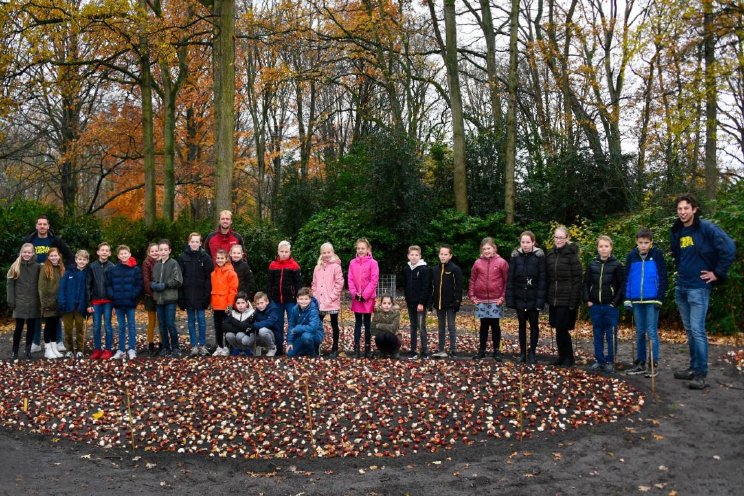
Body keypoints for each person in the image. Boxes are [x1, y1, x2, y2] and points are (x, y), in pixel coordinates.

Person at [670, 193, 736, 390]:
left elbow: (729, 247)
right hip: (682, 286)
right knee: (690, 331)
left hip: (698, 288)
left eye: (686, 208)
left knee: (698, 331)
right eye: (680, 209)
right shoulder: (677, 230)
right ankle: (692, 368)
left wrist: (718, 273)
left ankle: (701, 374)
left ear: (694, 210)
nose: (682, 212)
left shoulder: (706, 228)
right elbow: (678, 255)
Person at [23, 215, 73, 353]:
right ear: (36, 226)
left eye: (45, 224)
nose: (42, 226)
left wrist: (65, 270)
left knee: (54, 309)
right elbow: (21, 256)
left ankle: (58, 341)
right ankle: (35, 342)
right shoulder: (30, 240)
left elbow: (69, 255)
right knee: (37, 310)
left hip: (52, 279)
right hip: (34, 278)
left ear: (48, 226)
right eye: (40, 224)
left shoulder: (55, 240)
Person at [624, 228, 668, 378]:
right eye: (641, 242)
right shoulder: (631, 256)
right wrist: (627, 298)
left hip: (652, 299)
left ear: (651, 243)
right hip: (636, 300)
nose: (643, 245)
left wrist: (660, 298)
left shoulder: (657, 255)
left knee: (652, 332)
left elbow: (663, 277)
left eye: (646, 243)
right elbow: (627, 278)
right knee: (639, 333)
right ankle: (640, 363)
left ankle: (653, 364)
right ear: (636, 242)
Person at [583, 235, 625, 373]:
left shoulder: (617, 265)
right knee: (597, 333)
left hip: (610, 307)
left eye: (606, 246)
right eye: (601, 246)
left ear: (611, 247)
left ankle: (610, 361)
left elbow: (622, 286)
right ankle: (599, 360)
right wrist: (587, 299)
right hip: (595, 305)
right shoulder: (592, 264)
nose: (603, 249)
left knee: (611, 334)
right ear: (597, 248)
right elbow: (586, 283)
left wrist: (615, 302)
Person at [506, 231, 546, 365]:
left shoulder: (539, 256)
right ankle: (522, 352)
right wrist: (510, 299)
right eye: (523, 242)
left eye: (528, 242)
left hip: (534, 297)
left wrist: (540, 301)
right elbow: (510, 278)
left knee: (534, 325)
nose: (525, 245)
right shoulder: (515, 256)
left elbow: (542, 279)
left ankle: (532, 352)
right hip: (519, 297)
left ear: (533, 242)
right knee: (521, 325)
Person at [545, 226, 582, 368]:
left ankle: (569, 358)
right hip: (554, 297)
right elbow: (548, 277)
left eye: (561, 237)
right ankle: (561, 357)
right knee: (557, 328)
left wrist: (574, 301)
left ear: (567, 238)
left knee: (563, 328)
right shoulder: (551, 255)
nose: (558, 240)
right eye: (556, 237)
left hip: (567, 298)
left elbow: (578, 279)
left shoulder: (572, 256)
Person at [468, 237, 509, 361]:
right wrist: (472, 295)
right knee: (483, 325)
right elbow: (472, 280)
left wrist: (503, 297)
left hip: (496, 300)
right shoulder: (477, 263)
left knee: (495, 325)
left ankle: (497, 350)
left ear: (494, 248)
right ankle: (482, 350)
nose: (486, 251)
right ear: (481, 249)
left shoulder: (502, 262)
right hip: (481, 300)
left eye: (489, 248)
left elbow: (507, 281)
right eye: (484, 248)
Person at [178, 233, 214, 357]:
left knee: (202, 321)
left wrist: (207, 296)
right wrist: (181, 298)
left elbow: (209, 279)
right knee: (191, 321)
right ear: (189, 242)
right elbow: (180, 279)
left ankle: (203, 345)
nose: (194, 244)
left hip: (201, 295)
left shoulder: (205, 258)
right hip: (188, 295)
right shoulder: (182, 258)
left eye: (197, 241)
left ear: (200, 243)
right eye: (192, 241)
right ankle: (194, 345)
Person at [106, 245, 143, 360]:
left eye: (125, 253)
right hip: (118, 303)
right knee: (121, 327)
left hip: (130, 303)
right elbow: (109, 285)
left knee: (131, 325)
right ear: (118, 256)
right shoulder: (114, 269)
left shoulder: (135, 269)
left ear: (129, 254)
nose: (123, 255)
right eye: (121, 254)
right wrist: (113, 296)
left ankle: (131, 349)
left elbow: (139, 285)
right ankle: (121, 349)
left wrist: (134, 295)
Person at [266, 240, 302, 355]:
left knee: (292, 322)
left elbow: (298, 283)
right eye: (282, 251)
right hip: (276, 300)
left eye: (286, 251)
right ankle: (279, 346)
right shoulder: (273, 265)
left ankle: (292, 345)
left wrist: (298, 297)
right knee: (278, 323)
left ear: (290, 252)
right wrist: (269, 297)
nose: (284, 254)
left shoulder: (294, 265)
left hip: (290, 300)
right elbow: (269, 283)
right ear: (278, 252)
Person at [6, 243, 41, 359]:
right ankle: (14, 350)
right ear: (21, 253)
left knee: (31, 327)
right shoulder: (15, 265)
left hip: (33, 301)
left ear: (33, 253)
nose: (27, 254)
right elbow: (10, 284)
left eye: (29, 252)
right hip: (19, 301)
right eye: (25, 252)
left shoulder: (37, 267)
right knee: (18, 327)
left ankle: (28, 349)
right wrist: (11, 300)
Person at [348, 238, 379, 358]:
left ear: (368, 249)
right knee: (357, 323)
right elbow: (350, 280)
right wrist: (355, 293)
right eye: (358, 248)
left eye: (363, 248)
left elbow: (374, 280)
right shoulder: (352, 263)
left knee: (367, 323)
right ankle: (356, 349)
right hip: (357, 298)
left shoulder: (373, 263)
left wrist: (365, 295)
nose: (360, 250)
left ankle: (367, 348)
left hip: (368, 298)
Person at [151, 239, 183, 357]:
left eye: (165, 250)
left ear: (169, 251)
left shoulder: (173, 263)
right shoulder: (157, 265)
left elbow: (178, 280)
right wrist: (153, 284)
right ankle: (165, 347)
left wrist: (165, 285)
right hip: (159, 299)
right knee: (162, 324)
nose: (163, 252)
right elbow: (153, 279)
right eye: (161, 250)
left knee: (170, 323)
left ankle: (175, 347)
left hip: (170, 299)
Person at [311, 242, 344, 358]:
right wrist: (315, 297)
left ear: (332, 252)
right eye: (324, 252)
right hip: (319, 302)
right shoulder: (317, 267)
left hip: (332, 301)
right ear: (321, 253)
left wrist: (331, 297)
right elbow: (314, 284)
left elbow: (339, 283)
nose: (326, 254)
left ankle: (334, 347)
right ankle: (316, 345)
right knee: (317, 324)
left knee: (334, 324)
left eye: (328, 252)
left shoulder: (336, 266)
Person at [431, 244, 462, 359]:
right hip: (439, 304)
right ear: (439, 255)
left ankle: (453, 349)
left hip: (451, 304)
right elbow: (433, 286)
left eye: (446, 254)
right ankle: (441, 349)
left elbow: (459, 287)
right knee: (441, 327)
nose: (443, 256)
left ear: (450, 256)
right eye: (441, 254)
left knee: (451, 326)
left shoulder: (455, 269)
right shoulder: (434, 269)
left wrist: (457, 301)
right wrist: (431, 302)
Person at [58, 249, 90, 358]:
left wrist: (88, 305)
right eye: (79, 259)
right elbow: (62, 289)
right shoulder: (68, 273)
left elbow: (90, 291)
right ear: (76, 260)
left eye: (84, 259)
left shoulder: (88, 274)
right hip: (68, 306)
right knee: (68, 329)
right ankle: (69, 349)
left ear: (87, 261)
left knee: (80, 328)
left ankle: (80, 349)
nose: (81, 261)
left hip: (81, 306)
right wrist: (62, 303)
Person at [87, 242, 115, 360]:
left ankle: (108, 349)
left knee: (108, 326)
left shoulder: (113, 267)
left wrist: (115, 304)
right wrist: (89, 303)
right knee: (96, 326)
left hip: (108, 301)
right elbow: (88, 285)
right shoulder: (92, 266)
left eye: (106, 250)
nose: (104, 252)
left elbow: (115, 286)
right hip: (96, 301)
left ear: (109, 253)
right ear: (98, 252)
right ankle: (97, 349)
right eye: (102, 250)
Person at [402, 245, 431, 360]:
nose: (414, 257)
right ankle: (413, 350)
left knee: (421, 327)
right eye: (412, 255)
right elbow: (405, 286)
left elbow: (426, 287)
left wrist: (421, 303)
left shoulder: (424, 269)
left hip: (420, 304)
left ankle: (424, 351)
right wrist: (407, 299)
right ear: (408, 256)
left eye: (416, 255)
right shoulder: (406, 269)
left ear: (420, 256)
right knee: (413, 327)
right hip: (410, 303)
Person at [225, 292, 275, 356]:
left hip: (259, 335)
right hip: (248, 333)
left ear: (247, 303)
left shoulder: (252, 313)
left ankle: (249, 349)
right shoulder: (232, 313)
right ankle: (239, 349)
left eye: (243, 303)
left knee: (240, 335)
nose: (240, 305)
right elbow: (225, 326)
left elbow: (248, 326)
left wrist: (233, 322)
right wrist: (239, 328)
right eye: (238, 303)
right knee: (229, 335)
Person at [211, 248, 239, 356]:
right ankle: (219, 346)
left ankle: (227, 347)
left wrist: (229, 305)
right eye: (218, 258)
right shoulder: (213, 273)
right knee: (217, 327)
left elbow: (233, 290)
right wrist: (212, 303)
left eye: (222, 258)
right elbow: (212, 289)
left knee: (227, 327)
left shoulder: (231, 273)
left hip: (226, 305)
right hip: (216, 304)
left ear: (226, 259)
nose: (219, 260)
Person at [38, 248, 65, 359]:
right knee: (49, 326)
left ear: (59, 256)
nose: (54, 257)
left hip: (58, 303)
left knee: (55, 326)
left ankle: (54, 348)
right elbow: (41, 288)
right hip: (48, 304)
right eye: (51, 256)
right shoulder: (45, 269)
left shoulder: (61, 268)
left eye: (56, 255)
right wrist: (45, 304)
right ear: (48, 257)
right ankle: (47, 350)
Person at [286, 287, 323, 357]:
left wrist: (298, 328)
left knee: (306, 336)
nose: (303, 301)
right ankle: (307, 348)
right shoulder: (294, 309)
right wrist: (290, 341)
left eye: (306, 299)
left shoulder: (313, 310)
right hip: (301, 335)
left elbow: (313, 327)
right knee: (290, 354)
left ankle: (313, 354)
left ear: (310, 299)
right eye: (301, 299)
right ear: (297, 300)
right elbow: (291, 325)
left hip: (315, 334)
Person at [244, 291, 280, 356]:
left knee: (262, 330)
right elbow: (251, 323)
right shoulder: (257, 311)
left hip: (272, 336)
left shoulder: (274, 309)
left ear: (267, 302)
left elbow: (269, 322)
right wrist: (250, 320)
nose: (260, 305)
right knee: (246, 339)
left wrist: (255, 325)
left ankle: (272, 348)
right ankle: (252, 351)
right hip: (259, 335)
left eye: (262, 303)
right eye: (258, 304)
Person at [142, 243, 160, 356]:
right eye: (152, 251)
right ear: (149, 253)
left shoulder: (163, 262)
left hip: (161, 296)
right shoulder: (146, 263)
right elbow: (146, 281)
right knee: (152, 321)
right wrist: (153, 294)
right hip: (151, 296)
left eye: (156, 250)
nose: (155, 253)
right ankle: (150, 343)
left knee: (161, 321)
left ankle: (163, 343)